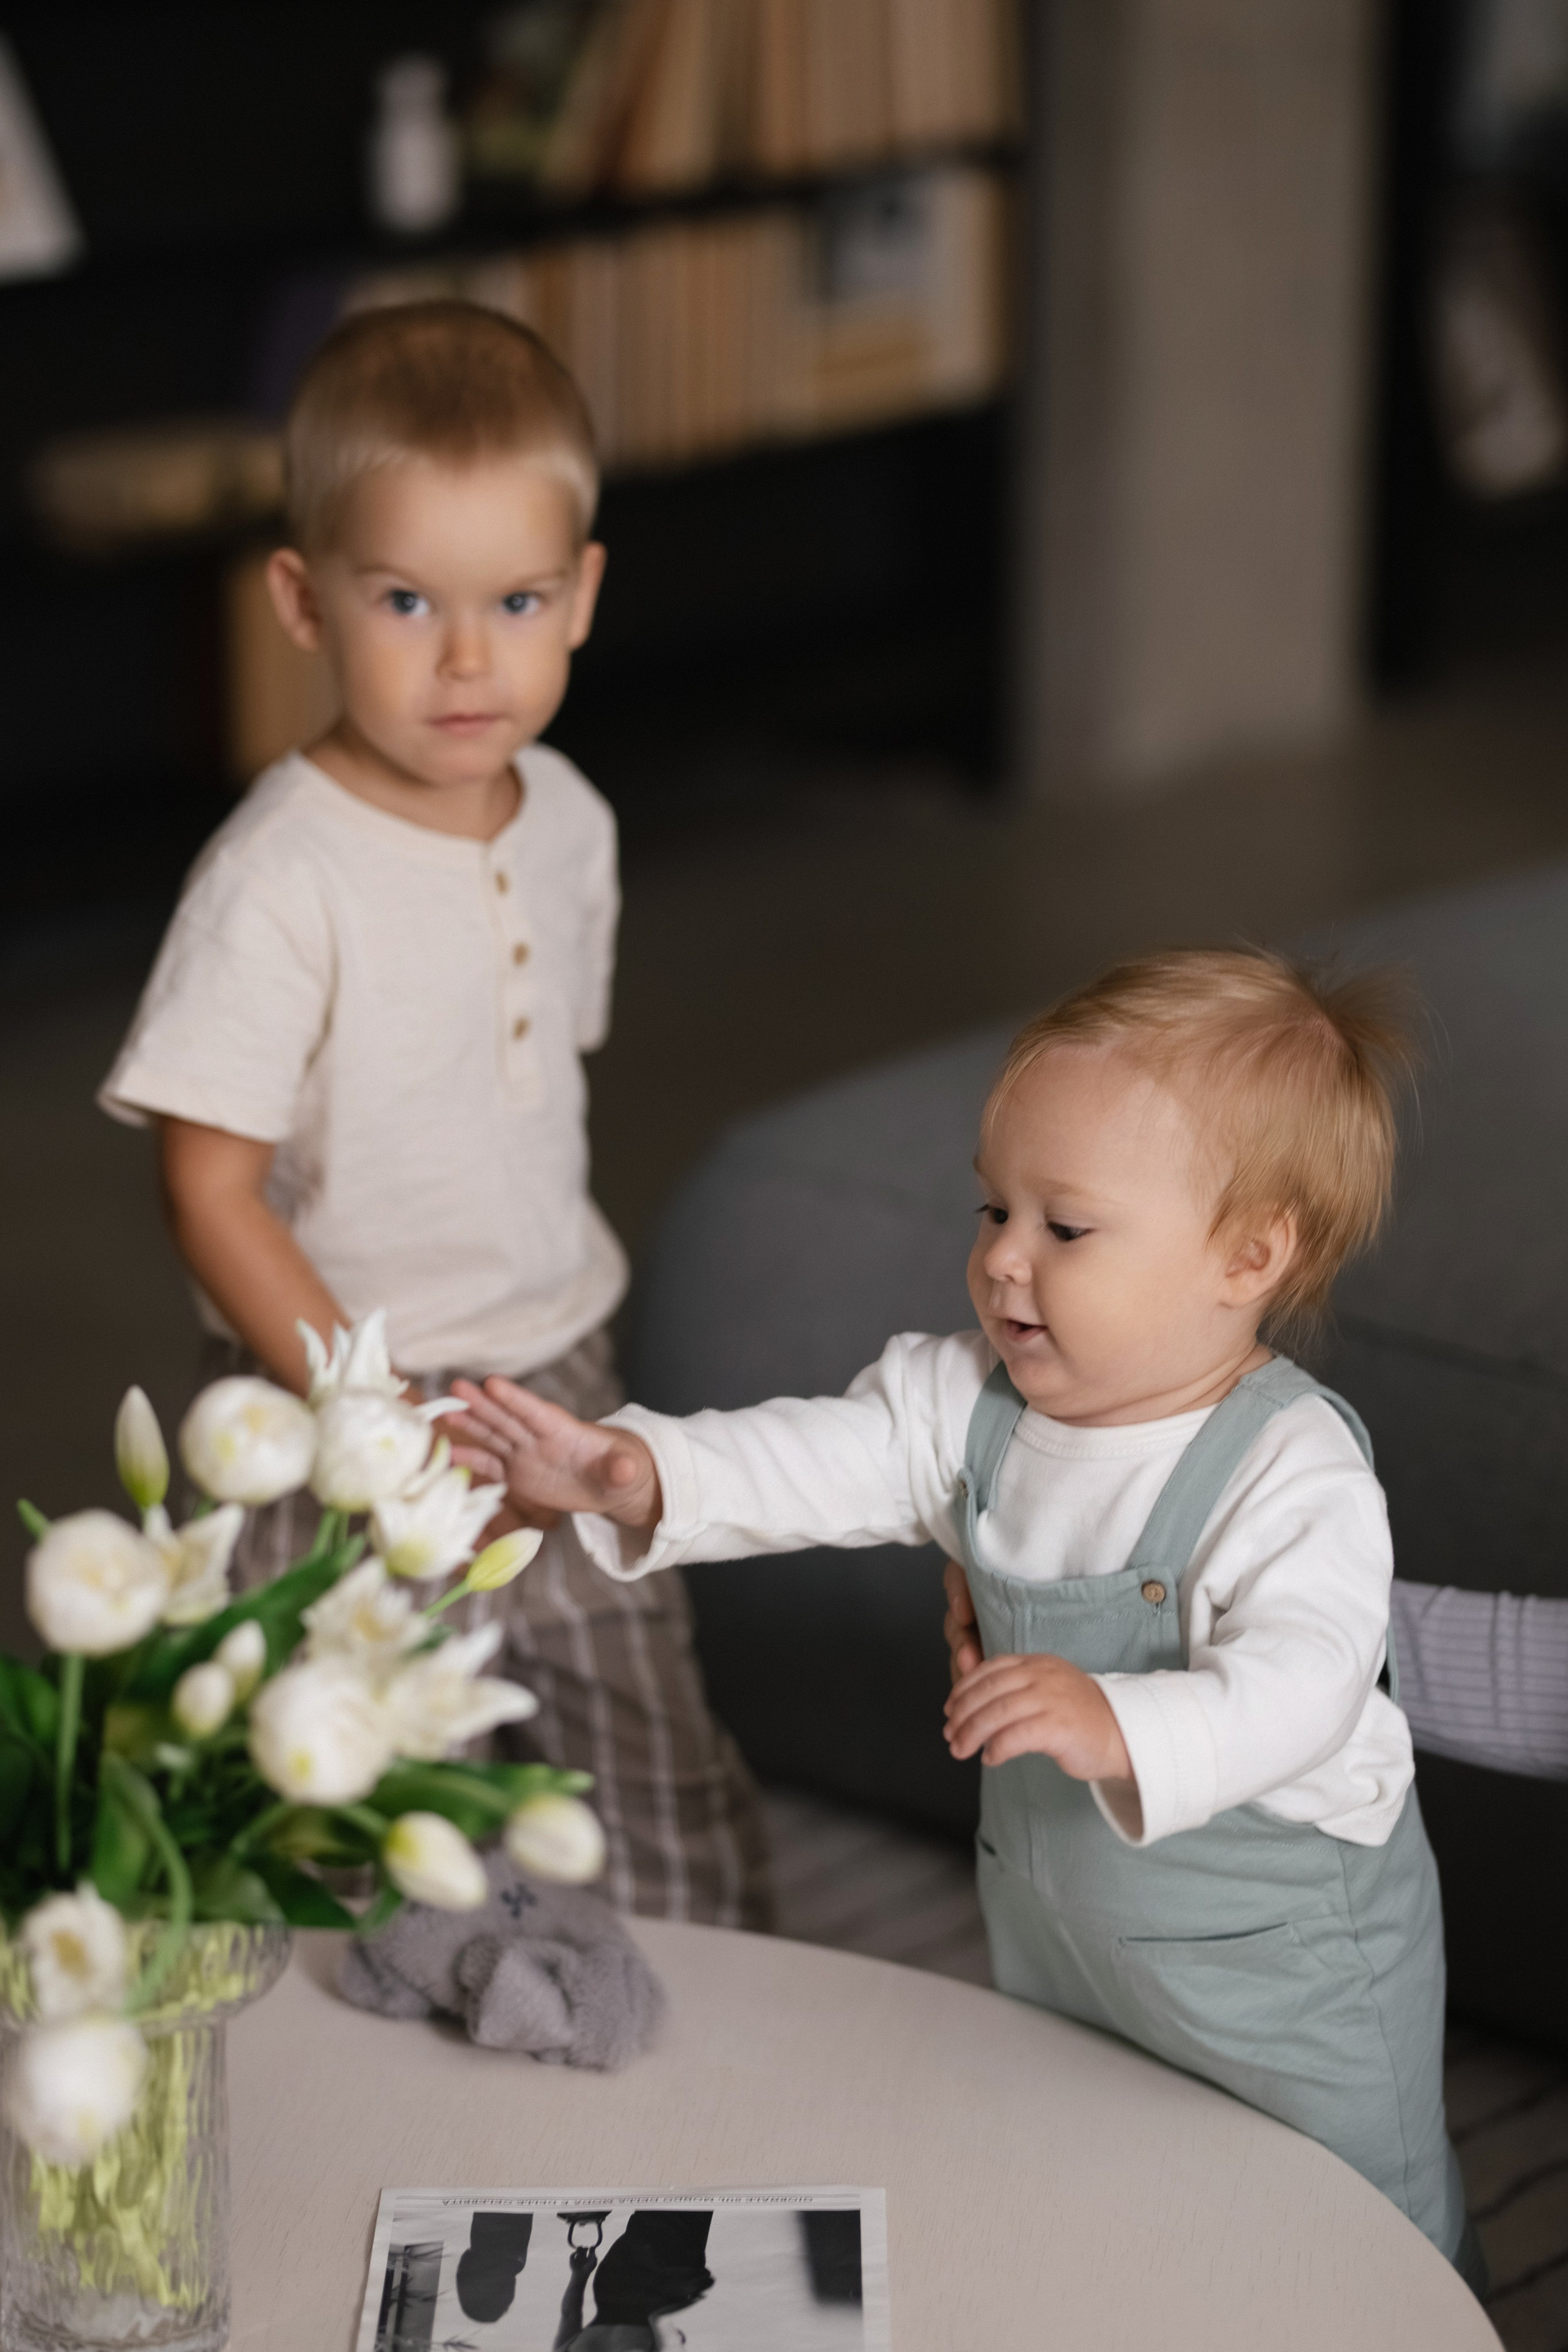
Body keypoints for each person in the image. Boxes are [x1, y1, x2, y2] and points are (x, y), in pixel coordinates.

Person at [451, 947, 1484, 2284]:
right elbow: (821, 1457)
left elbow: (1312, 1679)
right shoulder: (967, 1401)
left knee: (1347, 2219)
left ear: (1248, 1255)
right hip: (1063, 1918)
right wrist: (638, 1471)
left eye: (1066, 1229)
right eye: (993, 1209)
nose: (1001, 1260)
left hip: (1283, 1962)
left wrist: (1118, 1718)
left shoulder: (1291, 1469)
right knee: (1091, 2150)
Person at [99, 299, 771, 1931]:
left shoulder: (574, 823)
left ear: (582, 595)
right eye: (405, 601)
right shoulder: (279, 880)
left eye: (516, 602)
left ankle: (723, 2013)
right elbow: (210, 1192)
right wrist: (367, 1422)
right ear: (302, 601)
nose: (468, 660)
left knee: (642, 1740)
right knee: (338, 1788)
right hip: (330, 1409)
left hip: (557, 1366)